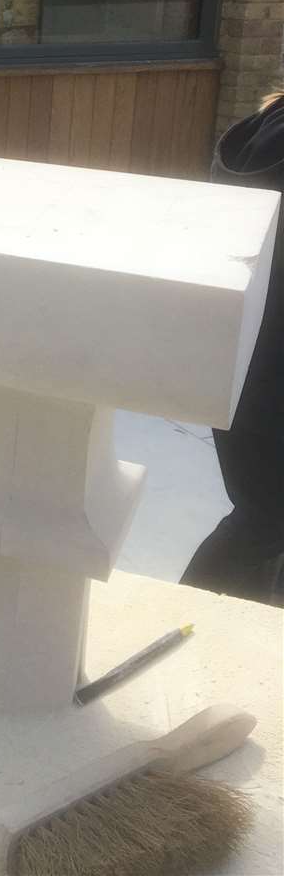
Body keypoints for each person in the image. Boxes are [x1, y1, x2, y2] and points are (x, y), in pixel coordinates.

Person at [180, 90, 284, 608]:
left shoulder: (263, 130)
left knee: (261, 522)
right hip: (267, 385)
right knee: (264, 523)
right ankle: (185, 623)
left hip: (242, 375)